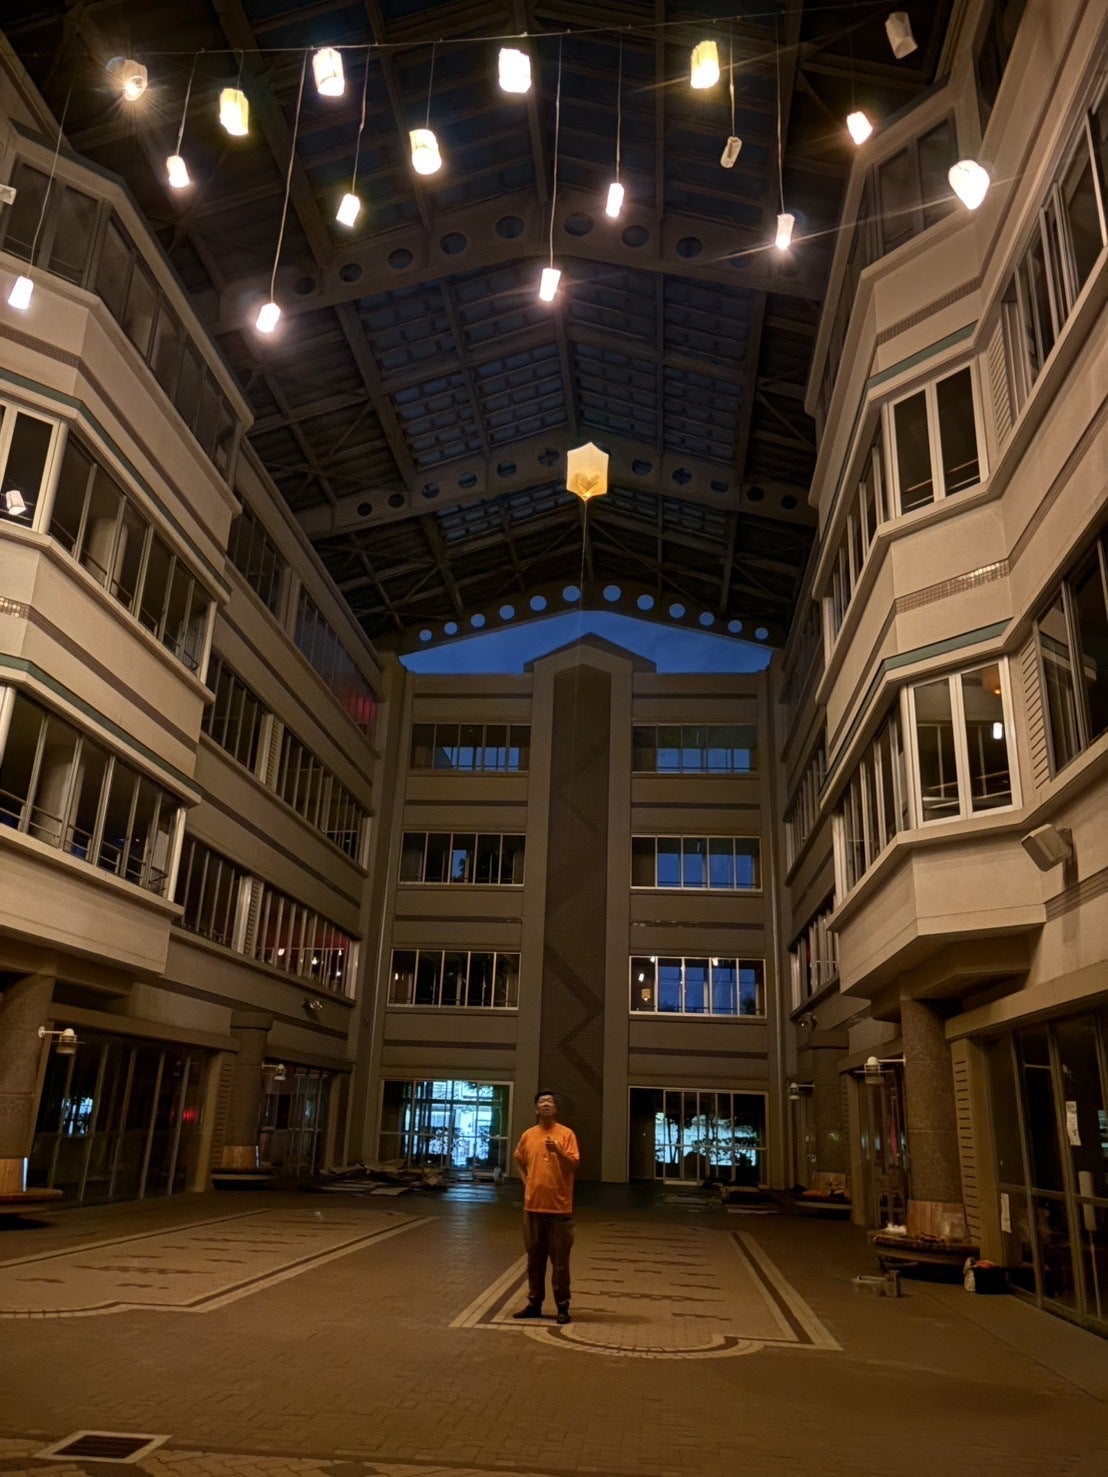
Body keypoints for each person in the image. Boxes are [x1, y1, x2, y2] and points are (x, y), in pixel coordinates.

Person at [512, 1090, 580, 1324]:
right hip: (532, 1209)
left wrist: (558, 1151)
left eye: (550, 1101)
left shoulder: (566, 1134)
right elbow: (518, 1158)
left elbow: (573, 1166)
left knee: (560, 1264)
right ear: (536, 1109)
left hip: (560, 1210)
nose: (546, 1104)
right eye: (542, 1102)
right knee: (534, 1261)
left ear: (556, 1108)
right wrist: (526, 1181)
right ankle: (534, 1303)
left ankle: (562, 1306)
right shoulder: (528, 1135)